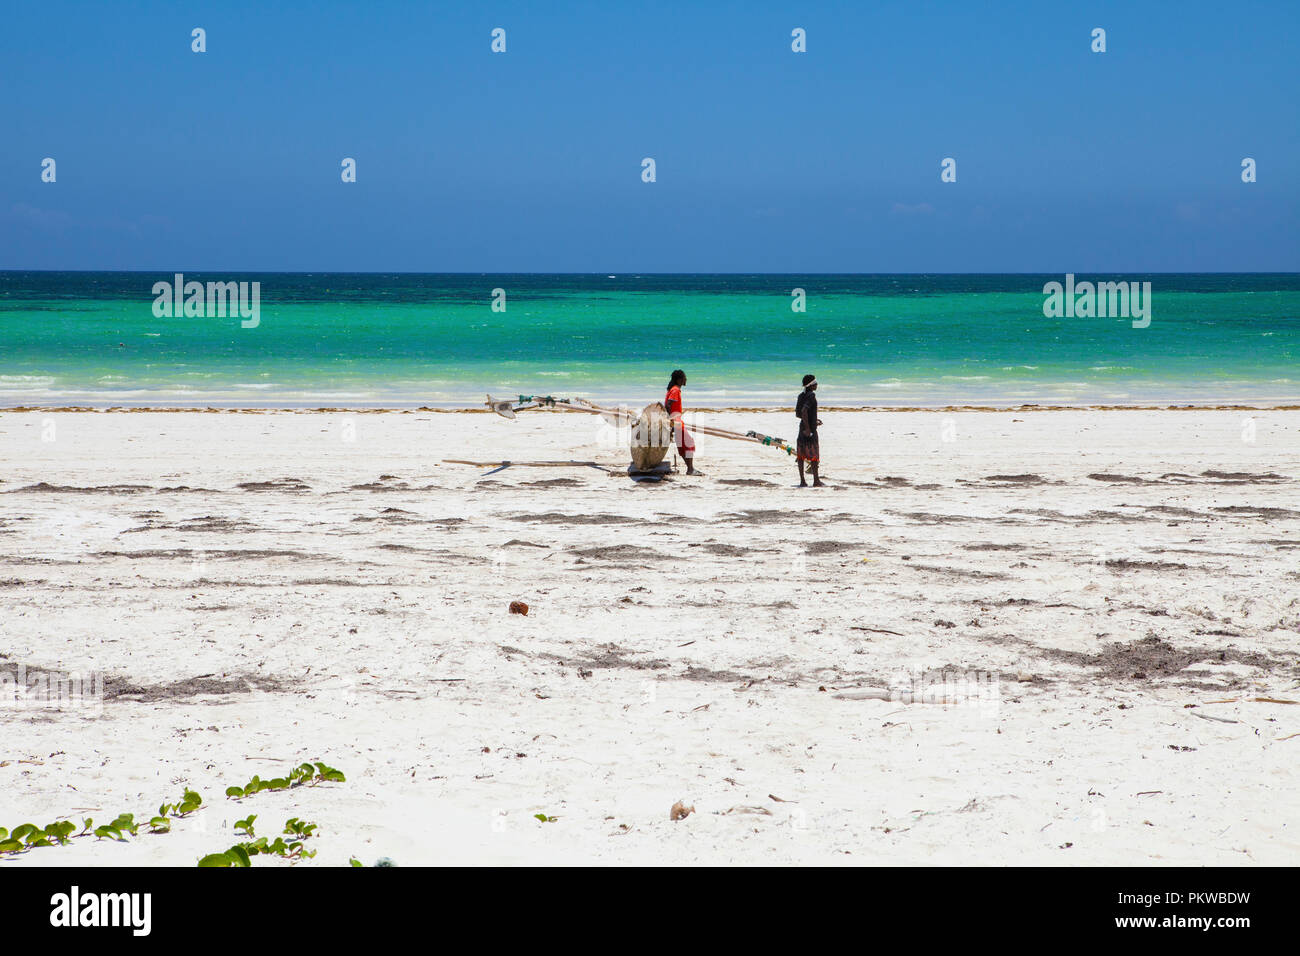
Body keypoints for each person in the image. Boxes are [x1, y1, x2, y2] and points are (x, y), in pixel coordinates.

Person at [664, 369, 699, 475]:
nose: (686, 379)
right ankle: (690, 469)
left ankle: (690, 468)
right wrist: (671, 421)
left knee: (683, 446)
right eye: (684, 377)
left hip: (676, 421)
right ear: (679, 380)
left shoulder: (673, 389)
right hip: (676, 422)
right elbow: (668, 405)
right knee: (689, 443)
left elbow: (668, 405)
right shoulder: (675, 390)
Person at [795, 374, 822, 487]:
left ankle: (802, 481)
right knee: (814, 456)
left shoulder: (801, 396)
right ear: (811, 385)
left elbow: (798, 414)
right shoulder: (811, 396)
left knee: (801, 455)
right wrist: (809, 428)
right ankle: (816, 481)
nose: (817, 384)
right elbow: (804, 411)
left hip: (802, 429)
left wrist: (813, 420)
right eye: (815, 383)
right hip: (809, 430)